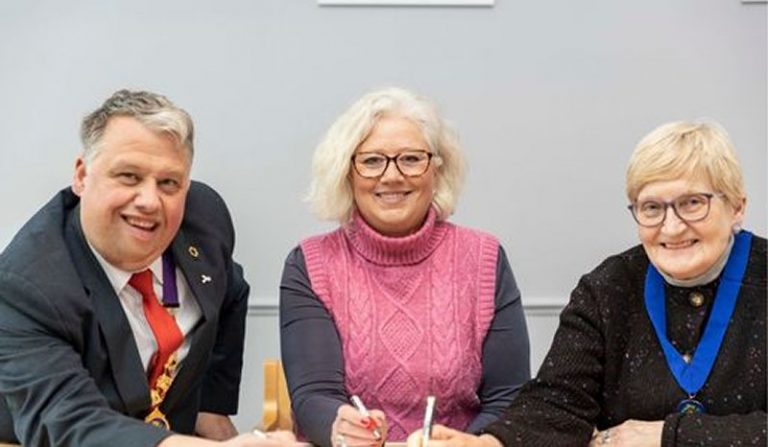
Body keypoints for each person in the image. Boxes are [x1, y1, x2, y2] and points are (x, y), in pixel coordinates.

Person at [405, 120, 766, 447]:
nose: (670, 227)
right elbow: (558, 403)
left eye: (692, 203)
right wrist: (487, 445)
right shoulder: (607, 287)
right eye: (652, 208)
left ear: (737, 207)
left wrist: (668, 436)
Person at [0, 90, 285, 447]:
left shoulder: (204, 217)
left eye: (169, 183)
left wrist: (211, 408)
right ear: (82, 175)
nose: (150, 201)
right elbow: (70, 422)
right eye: (129, 176)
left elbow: (230, 293)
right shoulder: (24, 286)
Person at [279, 87, 531, 447]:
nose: (392, 176)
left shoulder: (485, 257)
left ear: (436, 169)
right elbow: (314, 395)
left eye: (411, 159)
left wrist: (462, 444)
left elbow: (509, 398)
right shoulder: (310, 263)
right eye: (371, 161)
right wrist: (342, 429)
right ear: (346, 172)